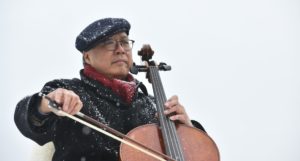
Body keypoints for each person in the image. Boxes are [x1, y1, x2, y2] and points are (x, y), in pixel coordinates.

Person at [14, 18, 205, 161]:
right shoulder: (70, 90)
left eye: (124, 42)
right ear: (87, 57)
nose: (120, 49)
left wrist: (189, 131)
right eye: (108, 43)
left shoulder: (154, 106)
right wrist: (46, 104)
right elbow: (29, 119)